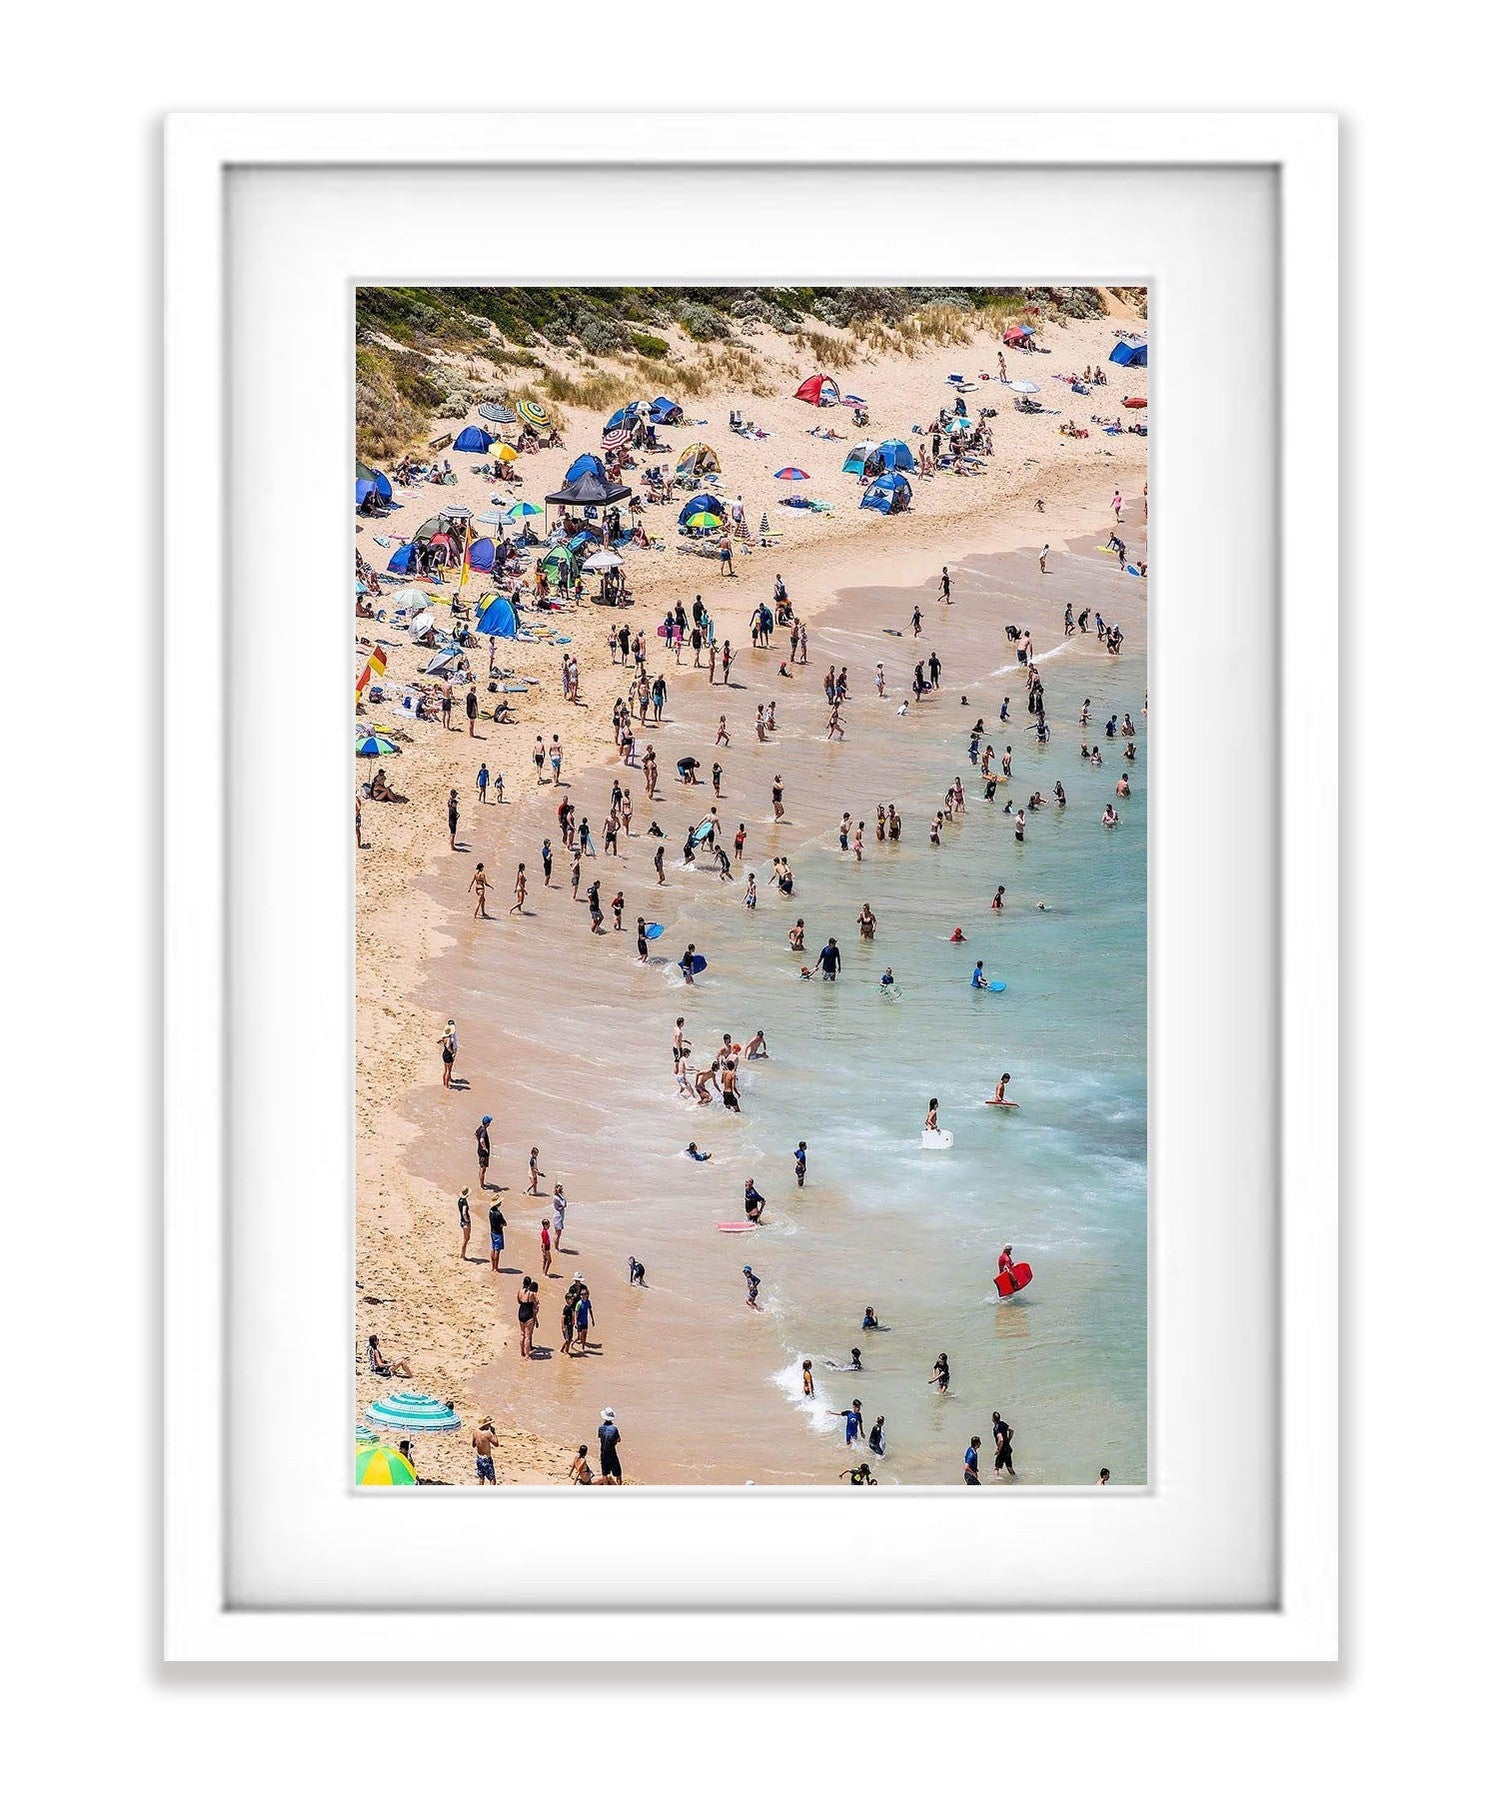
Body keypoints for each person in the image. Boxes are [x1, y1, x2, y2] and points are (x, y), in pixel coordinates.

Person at [597, 1408, 623, 1483]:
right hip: (612, 1453)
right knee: (618, 1473)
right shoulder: (614, 1429)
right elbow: (619, 1440)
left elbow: (601, 1437)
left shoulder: (600, 1428)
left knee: (605, 1473)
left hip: (603, 1453)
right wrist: (614, 1441)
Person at [472, 1417, 499, 1485]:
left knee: (481, 1477)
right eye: (489, 1424)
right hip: (487, 1459)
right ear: (485, 1425)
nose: (489, 1426)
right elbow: (496, 1444)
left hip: (479, 1458)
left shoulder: (475, 1432)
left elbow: (473, 1445)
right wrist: (494, 1433)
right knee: (492, 1479)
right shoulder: (487, 1434)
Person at [993, 1412, 1017, 1478]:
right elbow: (1012, 1431)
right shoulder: (1003, 1423)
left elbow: (1000, 1439)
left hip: (1002, 1450)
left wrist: (998, 1450)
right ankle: (1016, 1479)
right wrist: (1008, 1440)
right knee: (1009, 1467)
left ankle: (995, 1481)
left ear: (993, 1419)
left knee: (996, 1468)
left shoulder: (996, 1428)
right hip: (1008, 1449)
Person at [488, 1197, 508, 1271]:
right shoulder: (498, 1214)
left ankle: (493, 1266)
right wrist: (502, 1225)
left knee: (493, 1248)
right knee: (497, 1250)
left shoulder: (490, 1211)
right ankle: (496, 1267)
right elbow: (504, 1223)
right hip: (498, 1233)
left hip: (492, 1231)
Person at [439, 1019, 458, 1088]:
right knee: (448, 1070)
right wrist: (452, 1052)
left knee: (445, 1070)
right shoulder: (449, 1038)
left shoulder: (444, 1037)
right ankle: (446, 1085)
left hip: (444, 1054)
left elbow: (440, 1041)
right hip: (448, 1055)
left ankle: (445, 1083)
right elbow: (447, 1046)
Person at [475, 1115, 492, 1188]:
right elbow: (482, 1140)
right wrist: (485, 1148)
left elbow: (475, 1134)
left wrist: (479, 1143)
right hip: (483, 1153)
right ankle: (482, 1185)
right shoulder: (484, 1130)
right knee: (483, 1169)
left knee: (481, 1167)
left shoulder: (480, 1128)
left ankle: (481, 1183)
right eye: (489, 1122)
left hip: (479, 1151)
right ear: (487, 1123)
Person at [457, 1185, 472, 1259]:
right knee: (466, 1239)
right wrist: (467, 1220)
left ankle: (462, 1253)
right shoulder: (465, 1202)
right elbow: (464, 1213)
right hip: (465, 1222)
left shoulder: (459, 1200)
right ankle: (463, 1254)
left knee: (466, 1238)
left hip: (462, 1221)